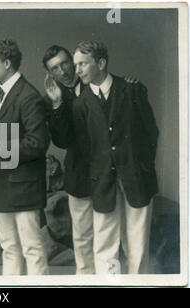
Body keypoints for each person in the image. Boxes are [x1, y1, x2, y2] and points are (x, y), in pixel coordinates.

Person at [43, 45, 140, 275]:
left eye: (66, 63)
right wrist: (57, 104)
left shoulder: (99, 82)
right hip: (81, 176)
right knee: (83, 236)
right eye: (55, 68)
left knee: (112, 234)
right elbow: (63, 141)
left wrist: (127, 83)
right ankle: (85, 279)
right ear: (50, 74)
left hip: (110, 173)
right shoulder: (51, 98)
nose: (64, 71)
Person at [72, 40, 158, 274]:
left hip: (137, 177)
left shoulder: (132, 90)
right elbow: (84, 147)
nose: (77, 70)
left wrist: (142, 166)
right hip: (102, 182)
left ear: (100, 63)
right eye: (75, 64)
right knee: (104, 243)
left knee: (137, 243)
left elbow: (151, 133)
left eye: (83, 64)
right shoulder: (80, 104)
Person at [0, 39, 50, 275]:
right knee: (9, 247)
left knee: (32, 248)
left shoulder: (28, 96)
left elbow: (37, 143)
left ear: (7, 63)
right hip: (3, 186)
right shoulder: (0, 93)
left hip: (24, 189)